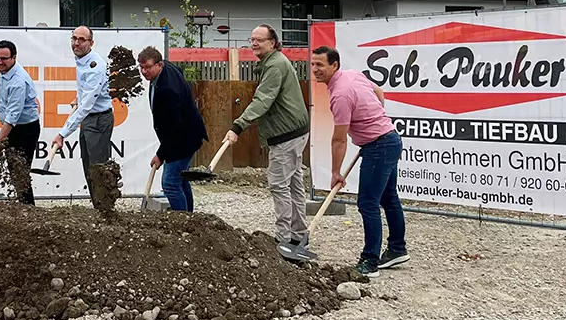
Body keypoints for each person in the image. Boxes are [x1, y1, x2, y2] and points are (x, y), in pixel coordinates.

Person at [310, 45, 409, 278]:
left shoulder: (340, 95)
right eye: (313, 64)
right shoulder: (354, 74)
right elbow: (379, 93)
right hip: (390, 139)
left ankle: (370, 261)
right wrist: (375, 118)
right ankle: (397, 248)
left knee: (367, 203)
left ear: (334, 65)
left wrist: (335, 172)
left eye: (320, 65)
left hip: (379, 146)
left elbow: (339, 140)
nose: (315, 69)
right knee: (388, 197)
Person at [223, 25, 310, 251]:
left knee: (279, 184)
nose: (254, 44)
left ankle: (285, 239)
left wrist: (238, 126)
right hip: (293, 130)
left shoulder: (275, 65)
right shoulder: (272, 63)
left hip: (286, 134)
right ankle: (298, 234)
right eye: (251, 39)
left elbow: (263, 100)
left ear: (272, 42)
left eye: (259, 40)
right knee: (293, 184)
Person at [138, 46, 207, 211]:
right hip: (186, 132)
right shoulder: (167, 68)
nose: (143, 71)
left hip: (183, 138)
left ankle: (182, 221)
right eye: (141, 67)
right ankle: (189, 218)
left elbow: (173, 128)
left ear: (159, 65)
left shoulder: (167, 90)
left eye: (147, 67)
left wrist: (160, 155)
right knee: (180, 178)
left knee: (169, 183)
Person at [52, 25, 113, 202]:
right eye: (74, 39)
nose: (76, 43)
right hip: (89, 119)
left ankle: (105, 212)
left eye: (81, 40)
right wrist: (79, 96)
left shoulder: (95, 66)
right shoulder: (82, 60)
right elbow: (87, 93)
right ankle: (98, 207)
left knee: (98, 169)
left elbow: (86, 106)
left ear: (91, 43)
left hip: (99, 120)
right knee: (88, 167)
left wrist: (62, 134)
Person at [0, 39, 41, 205]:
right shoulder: (5, 70)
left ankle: (28, 208)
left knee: (20, 172)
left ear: (14, 58)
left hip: (24, 130)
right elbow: (2, 79)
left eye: (4, 58)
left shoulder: (18, 82)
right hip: (14, 128)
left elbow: (11, 121)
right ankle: (23, 206)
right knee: (14, 171)